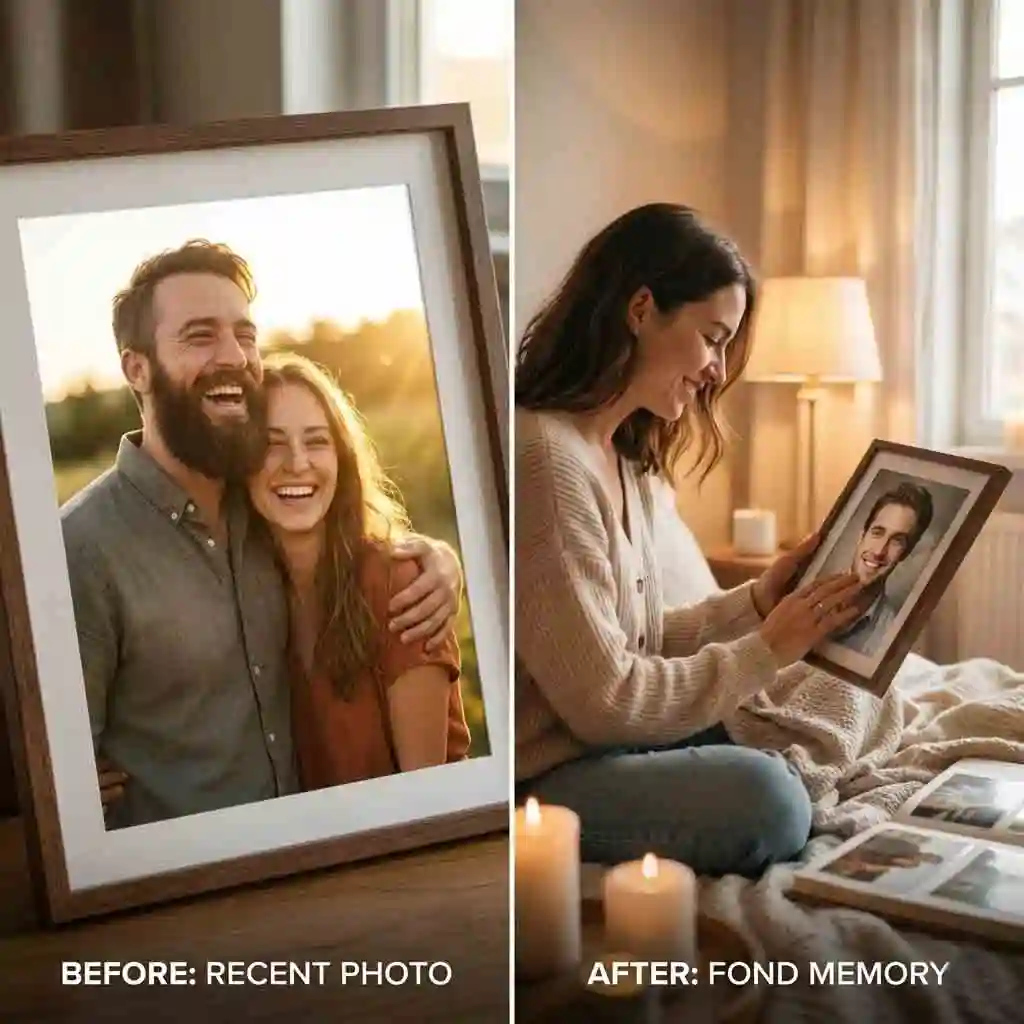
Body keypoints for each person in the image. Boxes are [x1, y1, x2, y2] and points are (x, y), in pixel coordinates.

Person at [515, 203, 864, 876]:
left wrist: (759, 600)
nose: (717, 367)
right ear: (641, 309)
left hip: (609, 750)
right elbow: (608, 702)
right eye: (713, 337)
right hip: (550, 776)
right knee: (771, 802)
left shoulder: (624, 457)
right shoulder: (546, 462)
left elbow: (639, 640)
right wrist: (769, 648)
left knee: (839, 703)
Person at [64, 239, 463, 829]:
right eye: (200, 335)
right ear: (136, 367)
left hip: (320, 863)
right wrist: (53, 787)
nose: (234, 356)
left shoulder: (260, 512)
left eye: (245, 335)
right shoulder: (81, 547)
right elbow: (52, 762)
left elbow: (352, 541)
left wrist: (440, 557)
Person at [248, 353, 470, 786]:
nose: (296, 462)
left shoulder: (399, 584)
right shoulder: (246, 596)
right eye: (271, 443)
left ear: (342, 459)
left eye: (316, 441)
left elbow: (428, 799)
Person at [829, 481, 934, 655]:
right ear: (862, 535)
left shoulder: (891, 634)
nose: (879, 551)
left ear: (906, 553)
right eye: (877, 532)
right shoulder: (810, 588)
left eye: (897, 540)